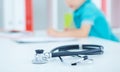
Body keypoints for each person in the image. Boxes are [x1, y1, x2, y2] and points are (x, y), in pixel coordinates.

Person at [47, 0, 119, 42]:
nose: (68, 2)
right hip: (100, 43)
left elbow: (83, 33)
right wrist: (71, 30)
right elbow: (88, 31)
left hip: (112, 44)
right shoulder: (78, 10)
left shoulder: (89, 9)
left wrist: (57, 34)